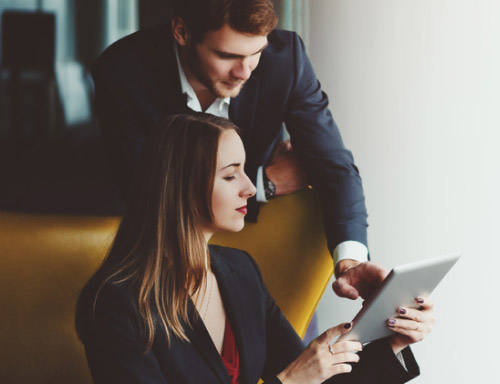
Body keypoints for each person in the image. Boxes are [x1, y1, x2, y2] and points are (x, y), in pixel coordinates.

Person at [75, 113, 434, 384]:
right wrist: (290, 381)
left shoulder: (239, 270)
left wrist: (392, 339)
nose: (250, 187)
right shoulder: (115, 304)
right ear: (179, 186)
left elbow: (317, 380)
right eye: (231, 175)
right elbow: (297, 378)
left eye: (245, 171)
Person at [91, 0, 383, 302]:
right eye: (226, 55)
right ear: (182, 32)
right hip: (163, 256)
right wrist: (262, 183)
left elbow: (334, 167)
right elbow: (143, 188)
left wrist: (352, 260)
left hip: (264, 246)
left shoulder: (285, 60)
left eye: (256, 53)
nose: (244, 72)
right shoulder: (122, 71)